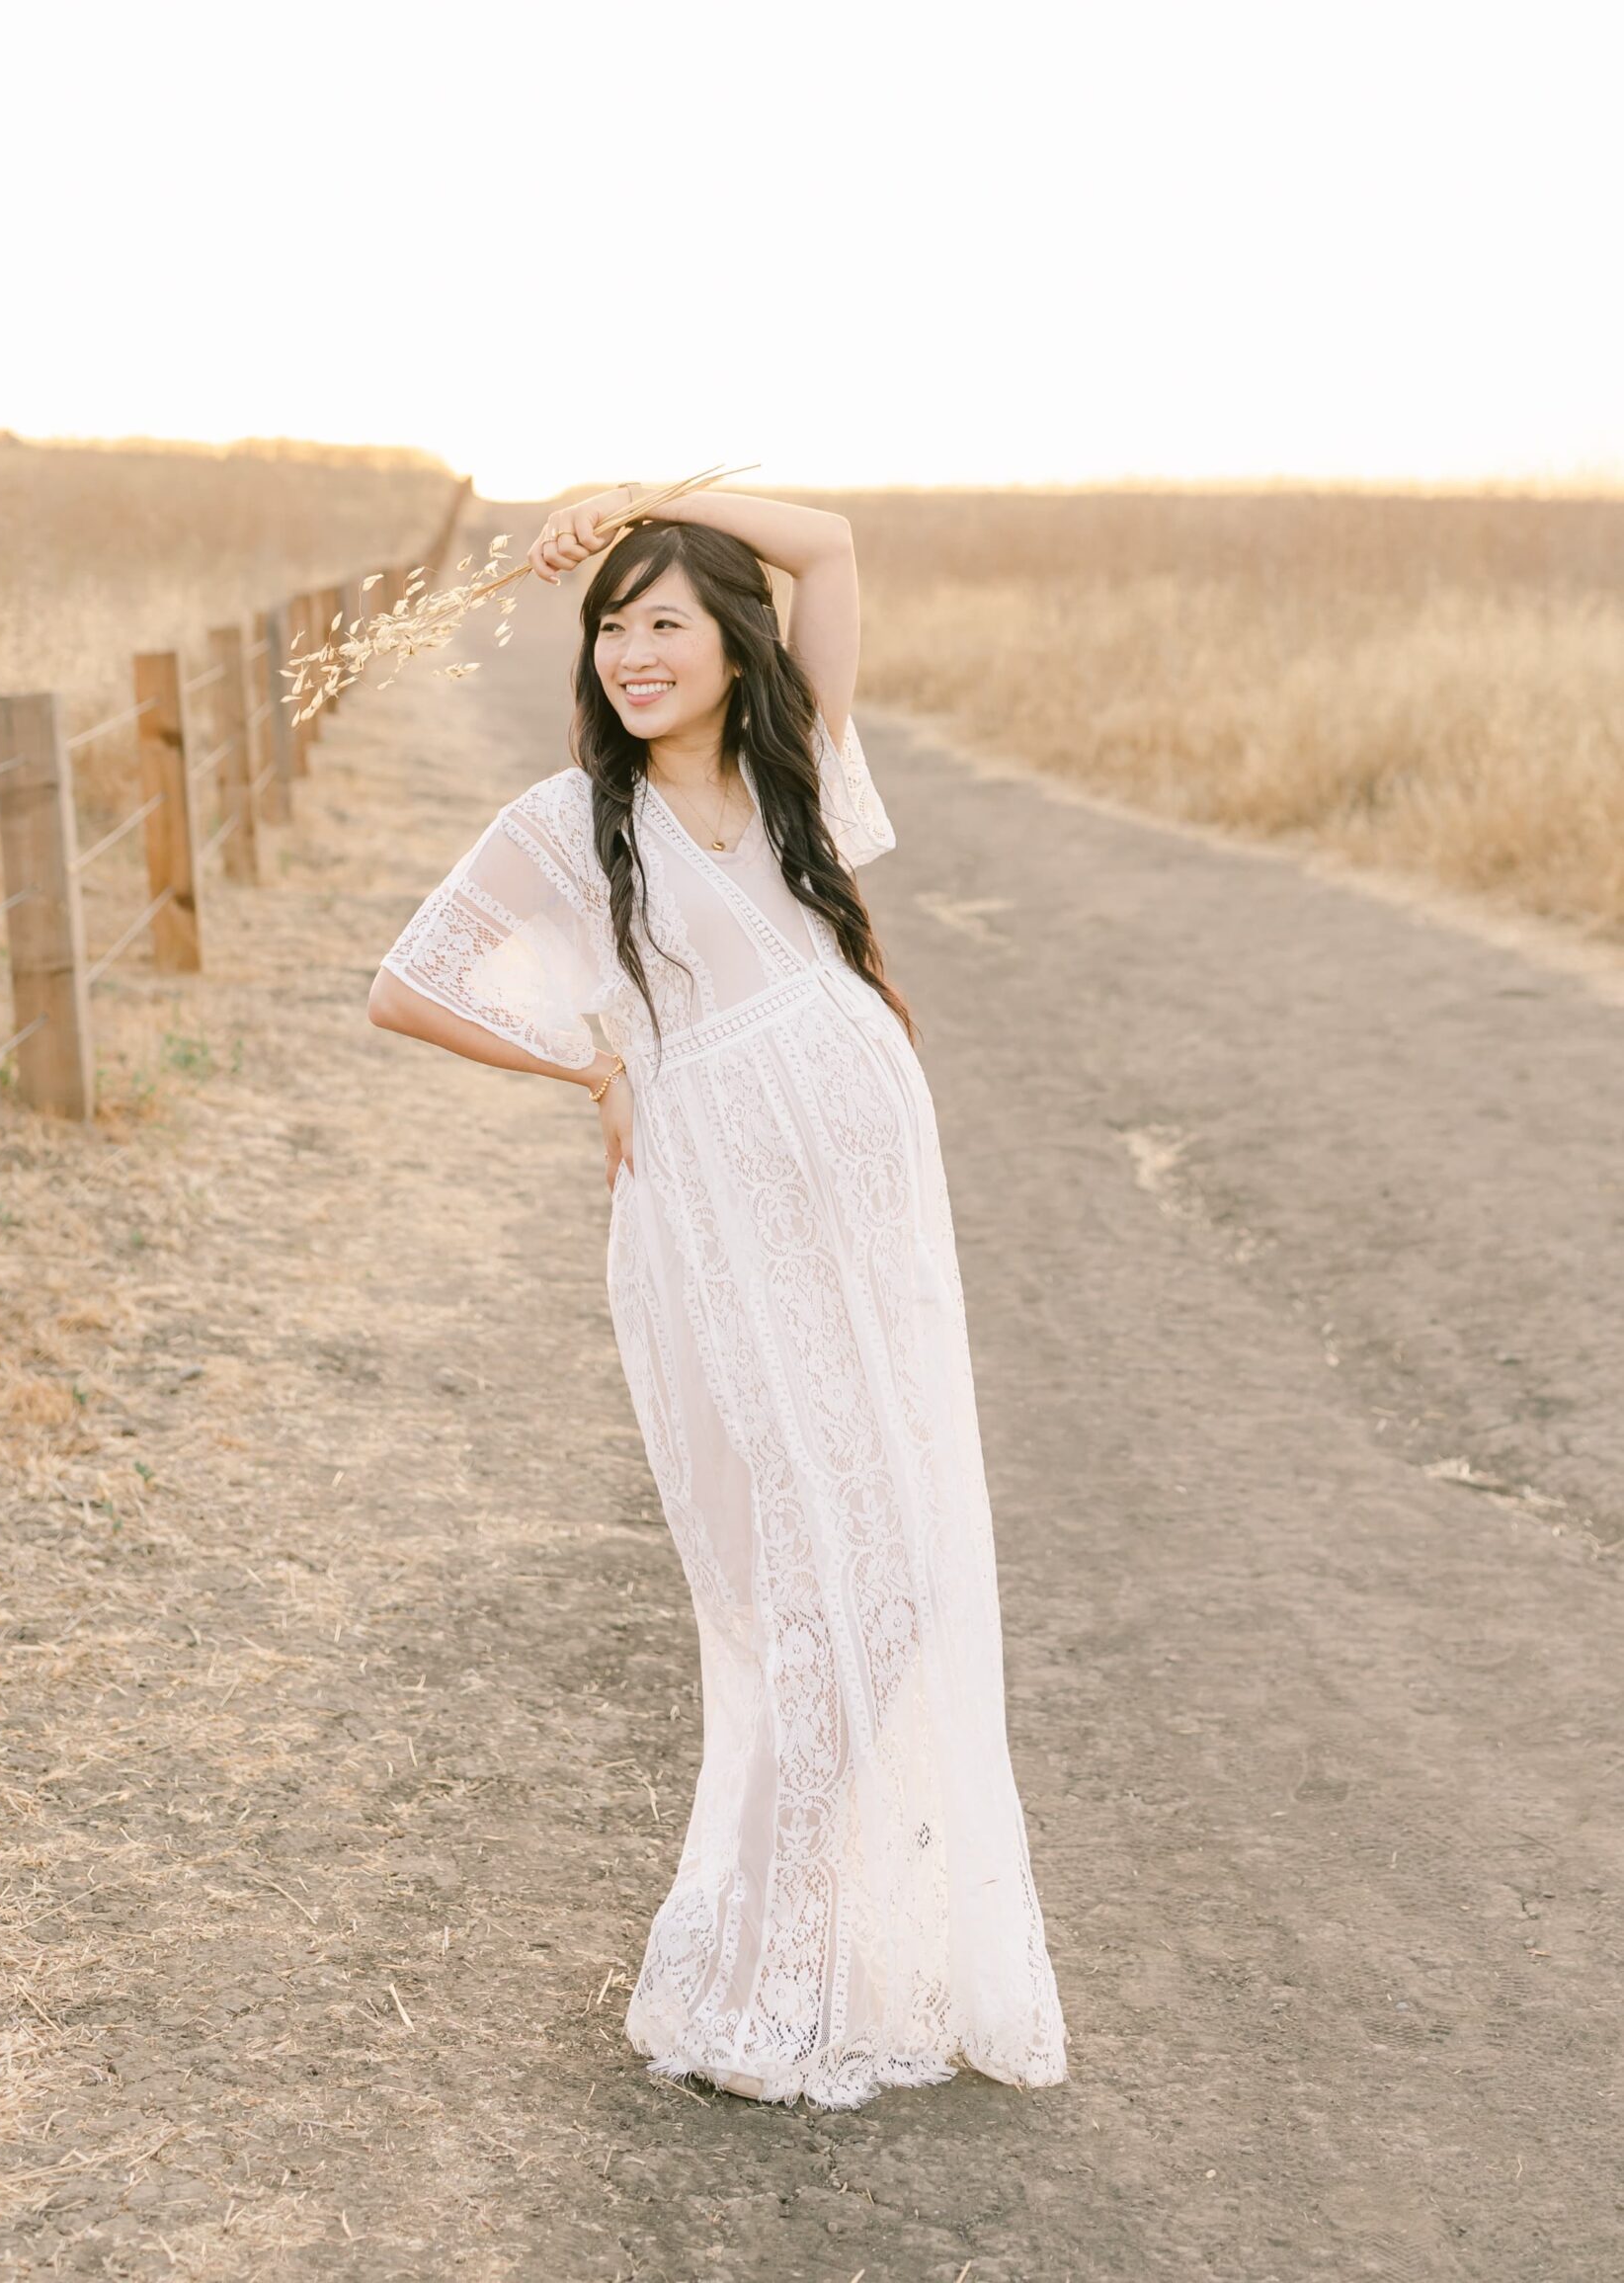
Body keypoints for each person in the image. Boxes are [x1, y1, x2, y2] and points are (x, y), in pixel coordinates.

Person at [367, 482, 1070, 2111]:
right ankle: (756, 1962)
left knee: (892, 1573)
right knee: (802, 1593)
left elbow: (822, 537)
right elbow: (405, 985)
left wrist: (636, 500)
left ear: (729, 645)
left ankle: (797, 1931)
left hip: (866, 1230)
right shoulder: (560, 824)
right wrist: (593, 1057)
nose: (629, 653)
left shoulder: (793, 772)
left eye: (662, 620)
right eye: (608, 626)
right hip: (714, 1237)